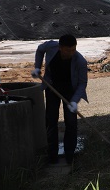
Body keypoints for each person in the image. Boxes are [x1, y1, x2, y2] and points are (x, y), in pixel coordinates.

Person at [32, 34, 88, 165]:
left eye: (73, 49)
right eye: (68, 50)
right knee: (51, 120)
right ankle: (52, 155)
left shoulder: (80, 61)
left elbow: (82, 83)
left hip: (70, 90)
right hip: (52, 87)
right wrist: (37, 67)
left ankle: (70, 155)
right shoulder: (51, 46)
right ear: (60, 47)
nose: (71, 53)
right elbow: (40, 49)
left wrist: (74, 101)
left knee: (71, 122)